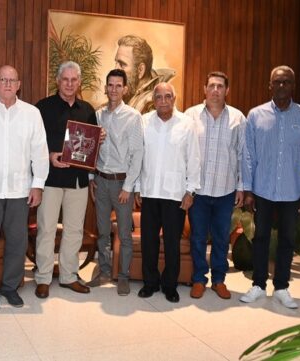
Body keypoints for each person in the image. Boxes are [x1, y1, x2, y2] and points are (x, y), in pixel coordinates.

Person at [240, 65, 300, 309]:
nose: (281, 86)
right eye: (277, 82)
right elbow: (248, 155)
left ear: (293, 86)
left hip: (292, 191)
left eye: (286, 82)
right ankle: (259, 285)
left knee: (286, 239)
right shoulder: (255, 115)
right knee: (260, 237)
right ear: (269, 85)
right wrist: (249, 189)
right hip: (262, 189)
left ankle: (282, 287)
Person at [0, 65, 49, 310]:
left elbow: (40, 152)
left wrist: (37, 184)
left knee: (17, 241)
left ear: (19, 85)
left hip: (20, 191)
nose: (7, 84)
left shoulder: (32, 113)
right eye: (3, 79)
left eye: (12, 80)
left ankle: (10, 287)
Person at [34, 61, 97, 298]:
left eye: (74, 80)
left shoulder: (88, 110)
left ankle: (69, 276)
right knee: (47, 229)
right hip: (50, 179)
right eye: (65, 79)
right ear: (58, 81)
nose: (69, 84)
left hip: (78, 181)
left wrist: (96, 142)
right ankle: (43, 277)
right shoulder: (42, 107)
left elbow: (90, 148)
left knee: (74, 231)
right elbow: (34, 143)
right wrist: (50, 155)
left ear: (79, 82)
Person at [134, 82, 200, 303]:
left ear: (174, 98)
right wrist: (137, 187)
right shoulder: (144, 122)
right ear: (154, 100)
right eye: (159, 97)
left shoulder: (187, 124)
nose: (163, 101)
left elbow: (194, 159)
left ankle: (170, 285)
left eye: (167, 96)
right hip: (149, 192)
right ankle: (150, 283)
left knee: (172, 242)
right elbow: (138, 157)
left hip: (175, 195)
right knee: (149, 242)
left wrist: (190, 190)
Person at [184, 71, 246, 300]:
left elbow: (242, 155)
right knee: (198, 237)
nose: (215, 90)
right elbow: (184, 153)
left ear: (227, 90)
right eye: (211, 85)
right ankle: (200, 278)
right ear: (204, 89)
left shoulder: (238, 118)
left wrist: (241, 186)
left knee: (221, 238)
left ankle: (219, 280)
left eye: (220, 86)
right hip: (198, 191)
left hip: (225, 189)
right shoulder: (190, 116)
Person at [87, 69, 143, 296]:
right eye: (110, 85)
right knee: (102, 231)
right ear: (106, 87)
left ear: (126, 89)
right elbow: (90, 148)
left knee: (124, 234)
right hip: (100, 180)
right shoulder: (99, 115)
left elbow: (138, 153)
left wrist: (128, 187)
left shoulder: (133, 116)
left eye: (119, 85)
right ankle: (104, 271)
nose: (114, 89)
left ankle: (124, 276)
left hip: (122, 184)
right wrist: (91, 177)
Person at [114, 35, 176, 114]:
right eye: (116, 63)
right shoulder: (128, 93)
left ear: (140, 70)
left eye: (122, 64)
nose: (115, 69)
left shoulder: (152, 104)